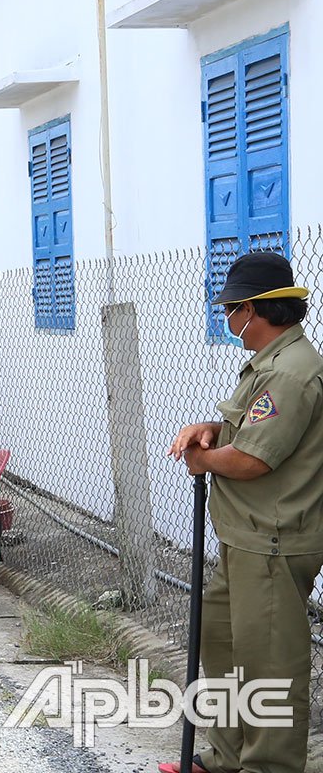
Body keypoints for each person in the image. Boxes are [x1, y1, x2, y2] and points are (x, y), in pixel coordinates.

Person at [164, 252, 323, 773]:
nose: (228, 319)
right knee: (224, 646)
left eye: (231, 309)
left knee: (269, 670)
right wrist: (212, 429)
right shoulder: (272, 364)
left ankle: (268, 766)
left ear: (253, 311)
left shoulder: (293, 373)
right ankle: (229, 759)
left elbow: (253, 459)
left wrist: (201, 458)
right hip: (246, 538)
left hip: (272, 543)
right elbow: (252, 434)